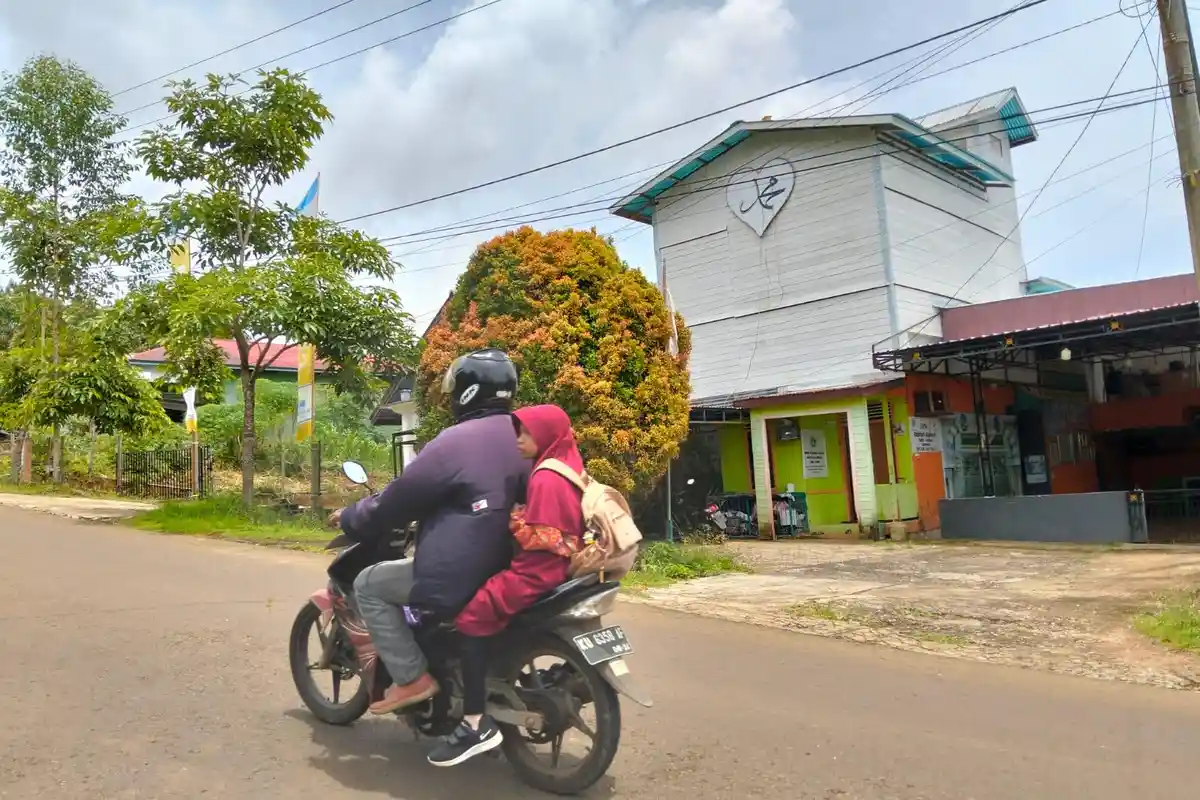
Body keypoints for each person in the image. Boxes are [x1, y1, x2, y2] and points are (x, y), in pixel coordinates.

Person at [335, 349, 528, 717]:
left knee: (368, 585)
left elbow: (397, 500)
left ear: (465, 391)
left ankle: (412, 678)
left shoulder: (454, 442)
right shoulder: (527, 434)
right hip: (517, 564)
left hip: (465, 571)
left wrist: (350, 517)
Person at [427, 404, 585, 768]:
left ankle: (474, 724)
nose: (519, 439)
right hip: (558, 570)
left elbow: (545, 536)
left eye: (526, 433)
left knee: (469, 620)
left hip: (535, 572)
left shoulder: (545, 478)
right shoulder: (567, 466)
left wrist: (512, 521)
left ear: (544, 435)